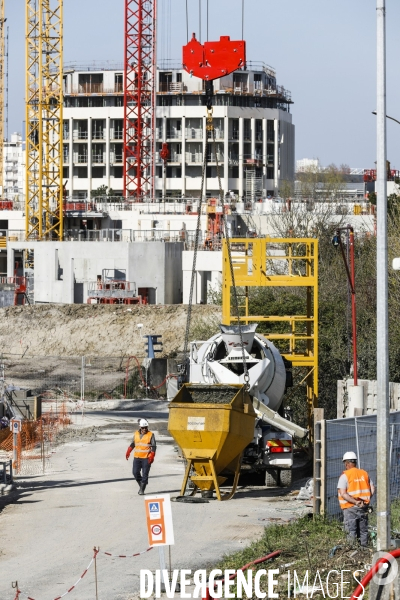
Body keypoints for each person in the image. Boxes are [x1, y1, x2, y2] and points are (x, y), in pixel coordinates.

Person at [337, 452, 375, 547]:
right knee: (363, 530)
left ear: (346, 463)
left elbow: (343, 494)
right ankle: (364, 550)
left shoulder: (345, 476)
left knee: (351, 531)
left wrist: (355, 502)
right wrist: (365, 500)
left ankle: (352, 551)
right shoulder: (364, 473)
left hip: (350, 508)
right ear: (355, 462)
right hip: (363, 507)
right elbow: (373, 488)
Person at [125, 418, 156, 495]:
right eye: (143, 428)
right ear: (140, 427)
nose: (145, 429)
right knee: (135, 472)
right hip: (137, 457)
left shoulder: (151, 435)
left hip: (146, 457)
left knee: (145, 474)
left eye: (146, 427)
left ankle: (142, 490)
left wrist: (152, 455)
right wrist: (129, 450)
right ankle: (142, 485)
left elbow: (154, 446)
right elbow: (133, 443)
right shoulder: (136, 434)